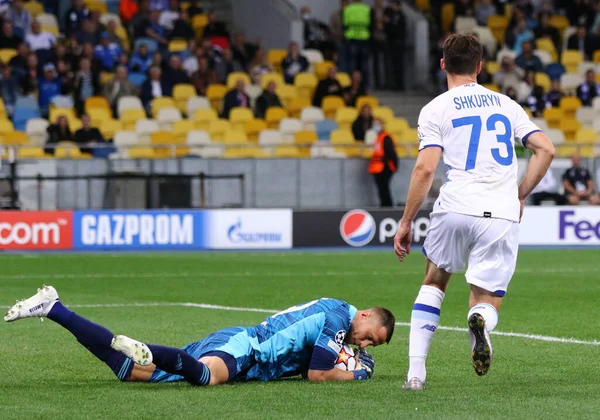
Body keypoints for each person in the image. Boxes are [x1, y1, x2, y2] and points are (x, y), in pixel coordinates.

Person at [394, 33, 555, 391]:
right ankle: (478, 318)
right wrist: (519, 194)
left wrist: (406, 221)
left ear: (443, 66)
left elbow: (424, 170)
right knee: (486, 298)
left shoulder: (436, 108)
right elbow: (545, 150)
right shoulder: (507, 105)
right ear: (480, 66)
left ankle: (415, 375)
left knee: (434, 281)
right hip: (500, 212)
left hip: (455, 206)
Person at [5, 286, 395, 385]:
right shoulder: (338, 316)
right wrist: (359, 372)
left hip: (240, 343)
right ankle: (152, 350)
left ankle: (54, 308)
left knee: (127, 370)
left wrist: (349, 355)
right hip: (248, 347)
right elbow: (318, 373)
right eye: (368, 337)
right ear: (363, 315)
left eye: (369, 346)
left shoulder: (338, 316)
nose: (362, 344)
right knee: (207, 378)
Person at [368, 117, 398, 207]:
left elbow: (391, 152)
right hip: (378, 168)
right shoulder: (379, 137)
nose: (375, 126)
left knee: (384, 188)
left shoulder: (385, 137)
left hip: (385, 167)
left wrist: (395, 165)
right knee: (381, 189)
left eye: (377, 124)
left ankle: (387, 206)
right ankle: (384, 205)